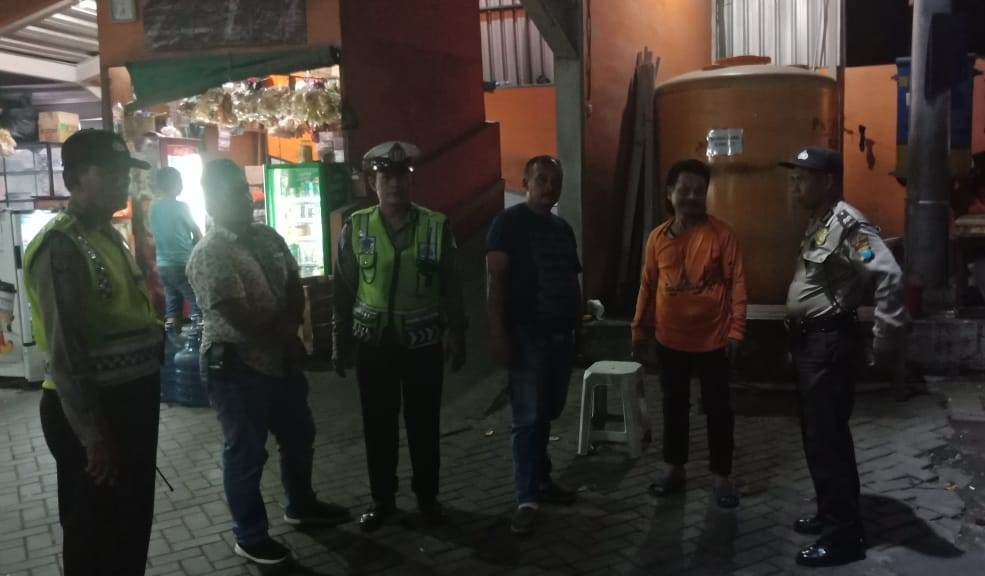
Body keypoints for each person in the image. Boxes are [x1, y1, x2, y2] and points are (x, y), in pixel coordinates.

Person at [187, 159, 349, 566]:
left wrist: (292, 326)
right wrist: (287, 337)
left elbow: (294, 282)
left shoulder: (267, 235)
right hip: (237, 367)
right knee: (246, 453)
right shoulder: (209, 252)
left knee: (299, 434)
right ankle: (250, 535)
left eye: (244, 189)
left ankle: (301, 505)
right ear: (211, 200)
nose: (244, 198)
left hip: (280, 359)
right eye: (233, 192)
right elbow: (238, 316)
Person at [23, 129, 163, 575]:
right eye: (112, 171)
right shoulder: (62, 245)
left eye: (126, 172)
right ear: (76, 178)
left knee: (130, 524)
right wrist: (92, 434)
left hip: (129, 404)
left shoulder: (106, 234)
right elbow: (66, 351)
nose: (124, 181)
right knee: (94, 533)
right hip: (95, 411)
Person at [781, 146, 907, 567]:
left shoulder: (849, 226)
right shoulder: (820, 222)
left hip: (829, 346)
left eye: (803, 177)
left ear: (828, 181)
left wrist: (885, 336)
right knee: (817, 438)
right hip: (810, 344)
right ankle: (829, 512)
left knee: (829, 440)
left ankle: (843, 538)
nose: (795, 184)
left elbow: (888, 275)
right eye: (794, 176)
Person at [333, 141, 467, 533]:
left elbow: (453, 285)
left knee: (424, 425)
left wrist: (458, 333)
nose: (395, 184)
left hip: (423, 344)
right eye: (386, 177)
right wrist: (340, 341)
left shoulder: (436, 225)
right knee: (378, 426)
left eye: (402, 176)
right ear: (372, 183)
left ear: (412, 180)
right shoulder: (356, 227)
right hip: (373, 345)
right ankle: (383, 501)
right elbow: (343, 288)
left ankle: (427, 499)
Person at [631, 158, 747, 509]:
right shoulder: (657, 238)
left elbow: (737, 284)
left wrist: (737, 331)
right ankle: (674, 469)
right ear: (670, 193)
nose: (692, 196)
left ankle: (722, 476)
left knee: (718, 410)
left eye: (699, 190)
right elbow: (647, 285)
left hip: (714, 340)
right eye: (684, 190)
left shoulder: (722, 235)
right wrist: (639, 330)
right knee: (674, 406)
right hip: (670, 340)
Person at [486, 155, 583, 536]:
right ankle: (526, 497)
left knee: (547, 411)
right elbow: (495, 283)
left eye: (555, 180)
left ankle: (542, 480)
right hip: (526, 336)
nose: (549, 187)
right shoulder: (507, 224)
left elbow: (572, 281)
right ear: (525, 182)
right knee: (527, 417)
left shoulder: (563, 229)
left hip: (560, 336)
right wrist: (498, 334)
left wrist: (579, 331)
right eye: (541, 179)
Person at [148, 167, 203, 328]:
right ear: (174, 184)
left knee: (172, 306)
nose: (182, 185)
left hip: (163, 265)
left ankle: (173, 338)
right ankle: (197, 338)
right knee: (197, 303)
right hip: (182, 263)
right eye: (180, 181)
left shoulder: (153, 207)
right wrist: (197, 251)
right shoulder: (181, 207)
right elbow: (196, 232)